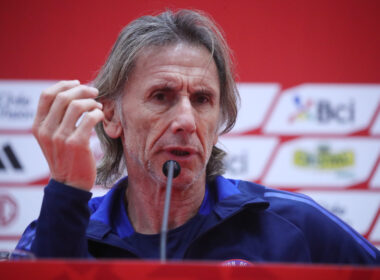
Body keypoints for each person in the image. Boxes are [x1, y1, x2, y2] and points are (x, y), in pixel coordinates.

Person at [17, 9, 379, 264]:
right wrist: (67, 189)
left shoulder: (294, 225)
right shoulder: (60, 229)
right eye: (162, 96)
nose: (187, 121)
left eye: (203, 100)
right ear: (111, 117)